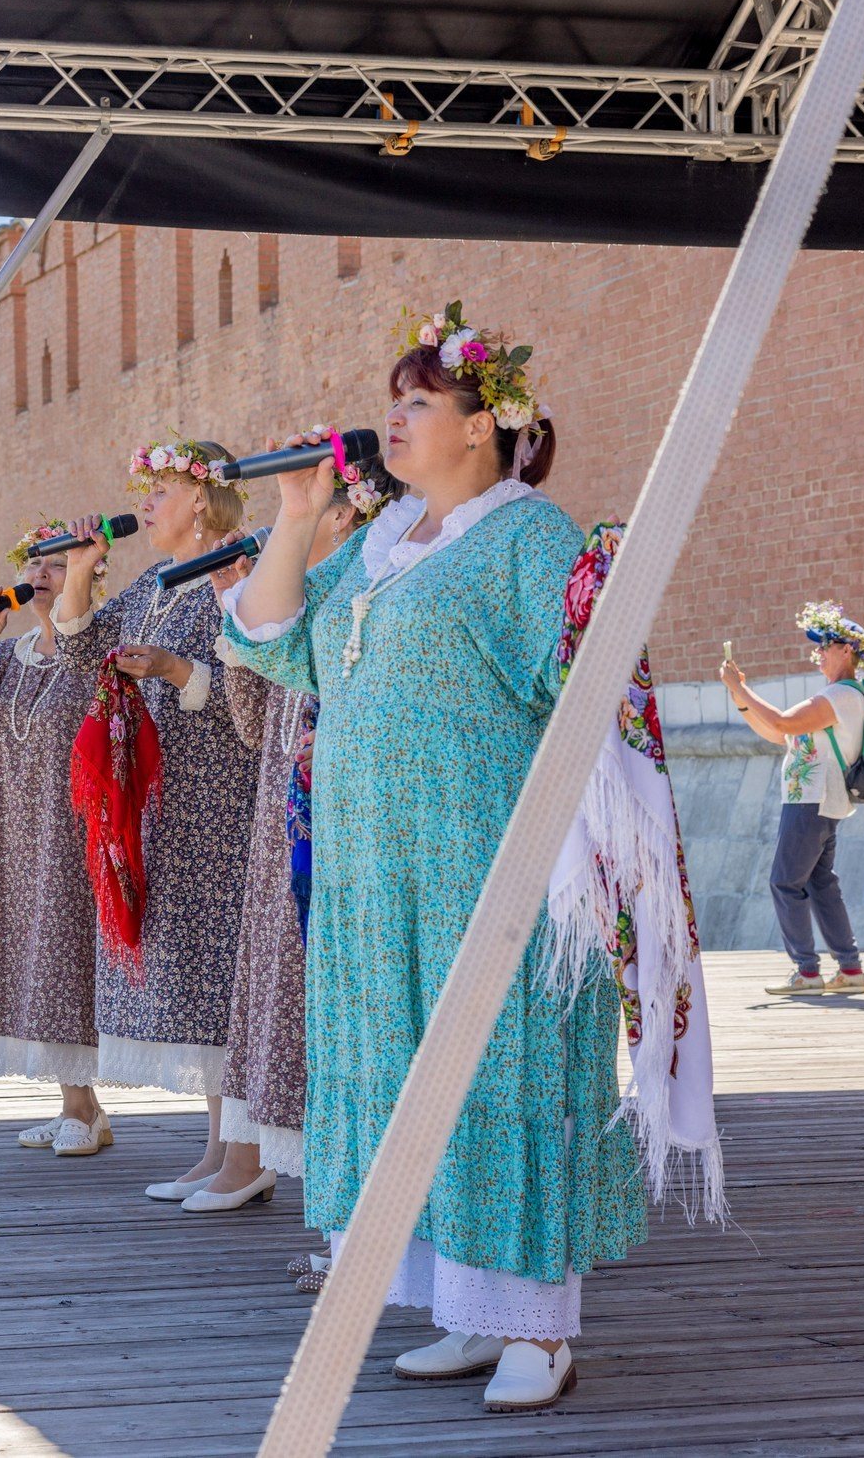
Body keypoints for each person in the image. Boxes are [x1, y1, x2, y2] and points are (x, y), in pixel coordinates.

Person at [222, 305, 645, 1412]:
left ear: (482, 426)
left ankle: (536, 1329)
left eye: (417, 404)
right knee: (402, 1070)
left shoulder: (529, 536)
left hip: (481, 860)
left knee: (499, 1067)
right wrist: (299, 516)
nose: (392, 422)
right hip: (373, 868)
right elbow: (269, 637)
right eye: (392, 402)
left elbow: (594, 683)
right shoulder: (376, 540)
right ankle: (463, 1306)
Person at [52, 440, 256, 1200]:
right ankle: (218, 1151)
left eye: (159, 489)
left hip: (222, 803)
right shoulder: (153, 582)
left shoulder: (240, 568)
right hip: (168, 810)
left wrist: (174, 671)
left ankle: (247, 1156)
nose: (148, 504)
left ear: (201, 499)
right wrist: (79, 570)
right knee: (199, 978)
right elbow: (81, 648)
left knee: (225, 976)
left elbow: (257, 668)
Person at [201, 430, 397, 1216]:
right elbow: (253, 724)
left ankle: (352, 1209)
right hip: (285, 828)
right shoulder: (297, 593)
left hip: (343, 831)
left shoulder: (363, 584)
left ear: (347, 514)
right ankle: (327, 1206)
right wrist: (233, 601)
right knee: (297, 1015)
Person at [0, 526, 108, 1154]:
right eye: (33, 566)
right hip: (15, 829)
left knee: (68, 958)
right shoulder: (13, 654)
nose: (41, 575)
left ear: (90, 573)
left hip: (72, 826)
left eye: (55, 564)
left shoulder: (95, 644)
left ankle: (82, 1108)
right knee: (35, 961)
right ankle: (79, 1107)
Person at [719, 601, 864, 997]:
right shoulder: (838, 698)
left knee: (785, 882)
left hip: (810, 801)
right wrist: (740, 697)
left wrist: (740, 686)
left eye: (824, 645)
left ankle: (807, 971)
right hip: (818, 801)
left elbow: (781, 721)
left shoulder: (841, 696)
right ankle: (849, 970)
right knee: (820, 884)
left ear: (846, 651)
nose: (817, 652)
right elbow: (777, 733)